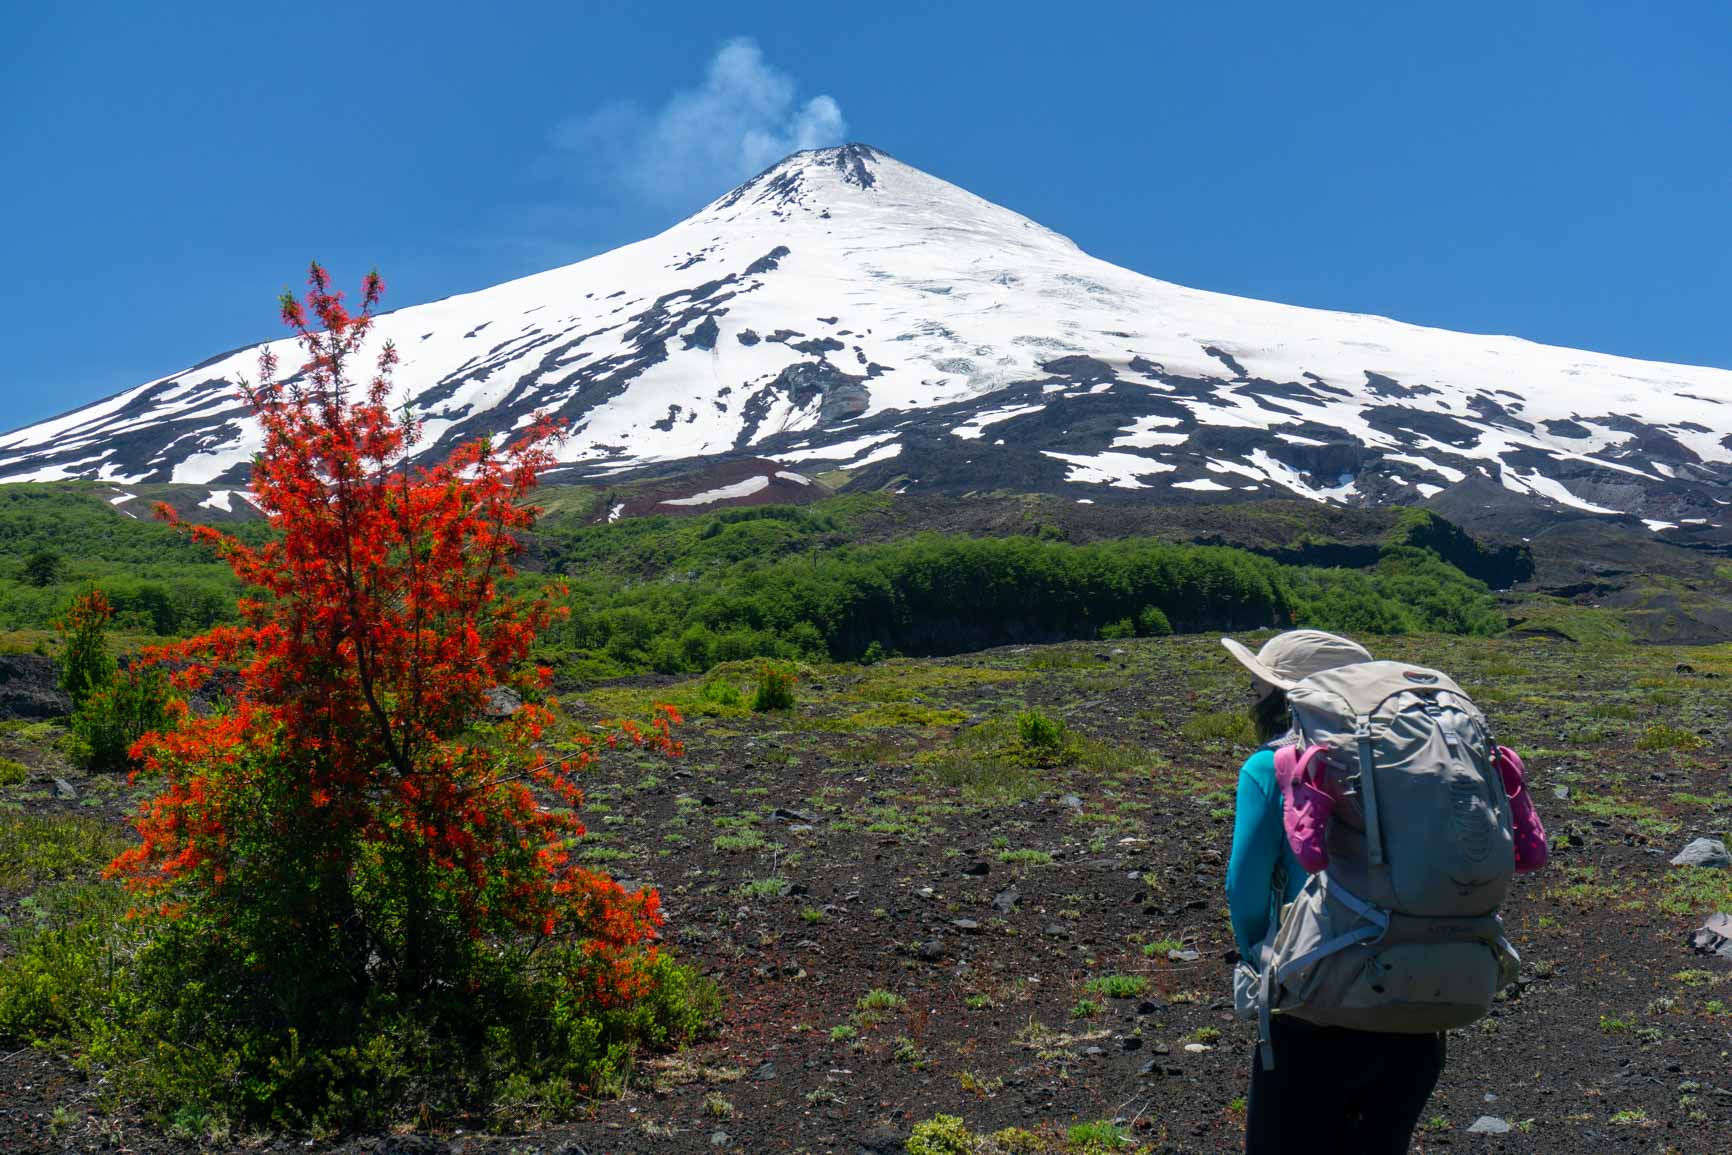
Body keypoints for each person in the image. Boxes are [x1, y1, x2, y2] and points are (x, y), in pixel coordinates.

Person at [1221, 630, 1446, 1155]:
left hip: (1317, 1005)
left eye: (1258, 689)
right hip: (1421, 1001)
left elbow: (1244, 887)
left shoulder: (1270, 766)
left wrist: (1266, 966)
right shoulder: (1410, 765)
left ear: (1283, 696)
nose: (1251, 699)